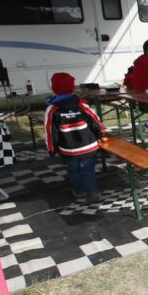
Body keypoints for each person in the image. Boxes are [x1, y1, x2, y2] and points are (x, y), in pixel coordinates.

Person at [45, 72, 104, 204]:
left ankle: (79, 191)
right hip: (88, 146)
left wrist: (52, 149)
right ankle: (92, 192)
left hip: (68, 149)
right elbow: (95, 121)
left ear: (53, 88)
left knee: (73, 171)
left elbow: (50, 131)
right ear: (72, 87)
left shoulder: (52, 109)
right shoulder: (82, 104)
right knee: (87, 170)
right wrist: (100, 133)